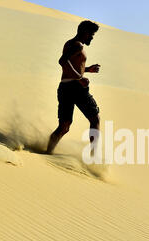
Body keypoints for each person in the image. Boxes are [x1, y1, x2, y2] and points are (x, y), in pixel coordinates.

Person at [46, 20, 101, 155]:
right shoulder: (77, 46)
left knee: (64, 126)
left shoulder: (72, 44)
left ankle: (48, 152)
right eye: (91, 34)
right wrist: (79, 78)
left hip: (65, 87)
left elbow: (71, 65)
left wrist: (87, 69)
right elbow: (62, 61)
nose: (92, 37)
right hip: (75, 88)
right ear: (85, 32)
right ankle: (93, 156)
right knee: (95, 119)